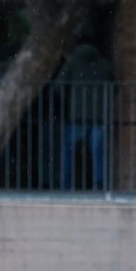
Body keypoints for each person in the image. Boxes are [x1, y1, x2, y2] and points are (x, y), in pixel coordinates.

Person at [54, 39, 114, 190]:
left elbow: (58, 86)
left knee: (68, 152)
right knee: (98, 154)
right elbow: (114, 88)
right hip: (99, 117)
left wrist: (71, 100)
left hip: (77, 117)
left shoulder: (72, 63)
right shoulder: (105, 65)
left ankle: (66, 186)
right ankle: (99, 185)